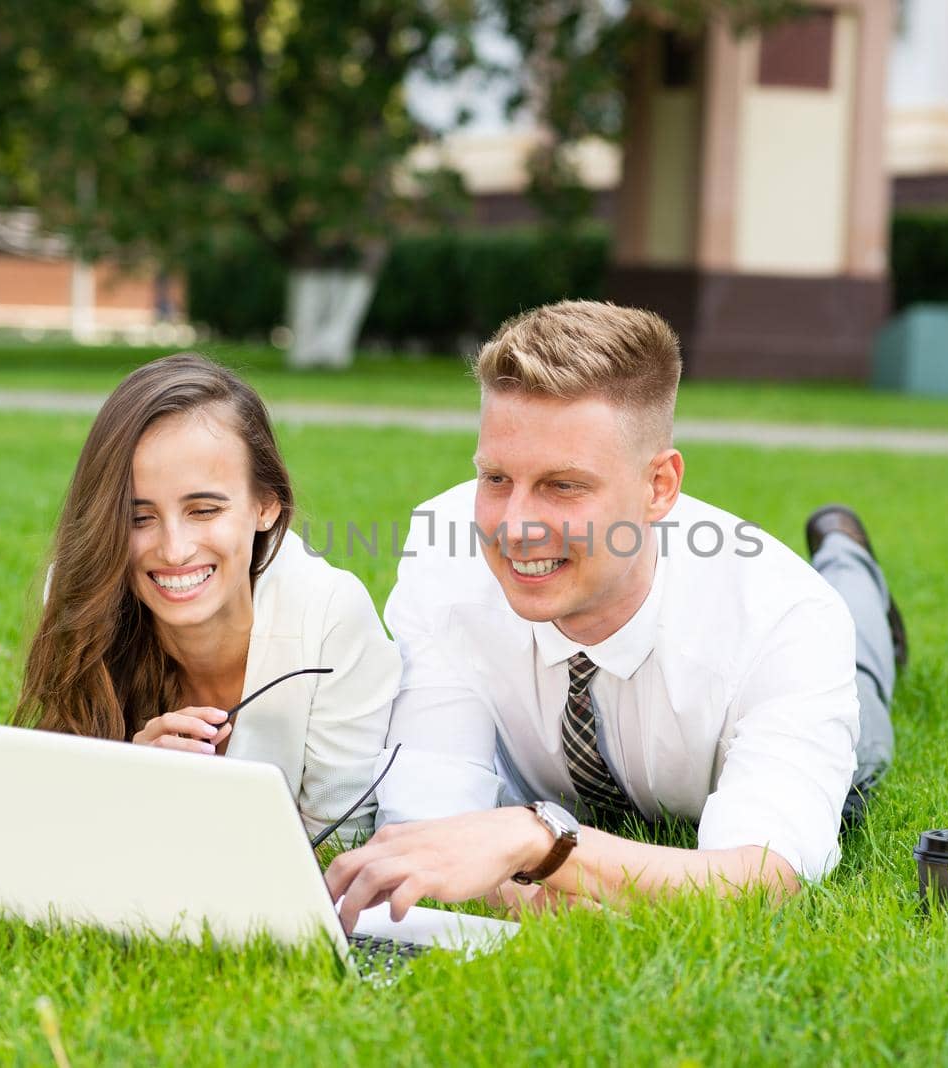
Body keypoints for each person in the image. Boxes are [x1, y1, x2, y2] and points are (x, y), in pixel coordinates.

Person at [325, 301, 906, 929]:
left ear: (659, 486)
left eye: (563, 486)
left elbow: (766, 879)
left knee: (861, 681)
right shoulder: (445, 556)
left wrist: (542, 844)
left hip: (809, 634)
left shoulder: (783, 617)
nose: (514, 527)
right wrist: (548, 898)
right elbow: (430, 831)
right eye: (495, 478)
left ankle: (847, 555)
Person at [14, 353, 400, 841]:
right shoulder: (84, 596)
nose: (174, 550)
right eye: (139, 518)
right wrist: (128, 783)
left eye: (203, 509)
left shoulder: (328, 616)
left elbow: (342, 843)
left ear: (266, 505)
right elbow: (53, 822)